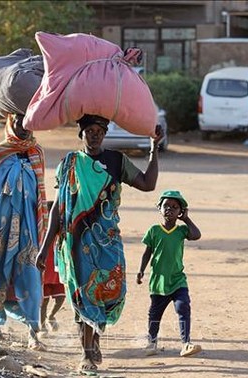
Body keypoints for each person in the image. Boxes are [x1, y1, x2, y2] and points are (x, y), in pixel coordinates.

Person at [36, 114, 164, 373]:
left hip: (108, 242)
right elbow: (59, 209)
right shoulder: (69, 163)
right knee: (83, 295)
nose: (94, 135)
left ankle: (94, 340)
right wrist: (45, 246)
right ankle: (86, 353)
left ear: (105, 134)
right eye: (89, 131)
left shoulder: (117, 161)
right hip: (76, 243)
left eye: (99, 131)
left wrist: (153, 148)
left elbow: (148, 185)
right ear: (80, 134)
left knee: (108, 293)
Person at [0, 113, 49, 351]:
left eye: (28, 121)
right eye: (18, 121)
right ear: (10, 122)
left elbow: (40, 194)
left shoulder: (37, 154)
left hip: (28, 225)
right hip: (0, 224)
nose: (23, 126)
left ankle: (34, 332)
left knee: (30, 275)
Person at [136, 190, 203, 357]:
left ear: (180, 212)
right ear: (159, 208)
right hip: (158, 281)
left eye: (175, 207)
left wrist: (186, 219)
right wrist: (141, 270)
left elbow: (196, 235)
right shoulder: (154, 230)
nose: (169, 209)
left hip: (178, 280)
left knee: (183, 307)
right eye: (166, 206)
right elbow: (147, 252)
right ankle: (152, 342)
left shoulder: (181, 231)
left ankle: (186, 343)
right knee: (155, 314)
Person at [39, 200, 66, 334]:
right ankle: (42, 325)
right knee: (43, 301)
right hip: (45, 272)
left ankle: (51, 316)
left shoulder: (60, 232)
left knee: (60, 298)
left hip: (57, 272)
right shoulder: (41, 232)